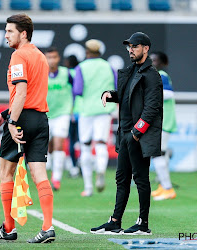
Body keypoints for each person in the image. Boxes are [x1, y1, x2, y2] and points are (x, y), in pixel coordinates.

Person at [0, 14, 55, 243]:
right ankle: (47, 228)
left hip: (22, 120)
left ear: (23, 33)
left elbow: (22, 93)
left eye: (9, 31)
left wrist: (12, 122)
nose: (5, 35)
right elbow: (31, 95)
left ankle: (8, 229)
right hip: (40, 119)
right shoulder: (40, 56)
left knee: (6, 172)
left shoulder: (18, 55)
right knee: (39, 174)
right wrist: (3, 115)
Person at [91, 32, 163, 235]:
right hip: (125, 133)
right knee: (121, 179)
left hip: (136, 134)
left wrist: (136, 133)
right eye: (129, 47)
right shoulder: (131, 70)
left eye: (135, 46)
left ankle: (143, 223)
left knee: (141, 179)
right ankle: (115, 221)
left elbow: (152, 108)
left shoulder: (152, 75)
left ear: (145, 49)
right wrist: (110, 94)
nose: (130, 50)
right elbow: (124, 96)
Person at [73, 39, 117, 197]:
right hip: (105, 109)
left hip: (86, 110)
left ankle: (88, 187)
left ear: (87, 52)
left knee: (85, 146)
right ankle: (101, 169)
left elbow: (78, 90)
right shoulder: (109, 66)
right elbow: (116, 87)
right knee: (101, 143)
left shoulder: (81, 67)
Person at [45, 47, 73, 190]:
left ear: (58, 58)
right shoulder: (40, 74)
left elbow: (77, 90)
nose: (52, 60)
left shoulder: (66, 74)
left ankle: (56, 178)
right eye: (49, 57)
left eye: (54, 57)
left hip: (62, 114)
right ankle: (49, 171)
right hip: (45, 114)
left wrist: (73, 109)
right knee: (48, 146)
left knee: (58, 143)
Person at [150, 51, 177, 201]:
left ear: (162, 63)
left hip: (163, 121)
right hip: (162, 121)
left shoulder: (161, 75)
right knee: (161, 154)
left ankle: (168, 189)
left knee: (157, 154)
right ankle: (163, 186)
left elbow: (169, 94)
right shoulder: (158, 75)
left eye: (155, 60)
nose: (151, 62)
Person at [64, 55, 81, 178]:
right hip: (83, 112)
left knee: (71, 141)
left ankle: (74, 166)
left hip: (71, 111)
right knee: (82, 141)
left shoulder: (67, 74)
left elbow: (70, 94)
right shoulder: (81, 72)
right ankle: (80, 165)